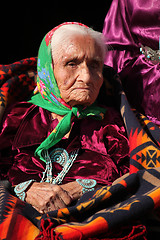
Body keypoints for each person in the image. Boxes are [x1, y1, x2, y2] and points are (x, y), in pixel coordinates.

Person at [0, 22, 129, 214]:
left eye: (94, 65)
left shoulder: (113, 122)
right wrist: (24, 190)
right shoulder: (16, 117)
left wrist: (85, 187)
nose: (86, 77)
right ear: (48, 69)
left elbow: (134, 178)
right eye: (72, 63)